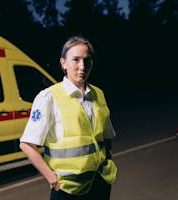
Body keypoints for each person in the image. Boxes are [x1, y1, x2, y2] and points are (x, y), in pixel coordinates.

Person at [20, 35, 117, 200]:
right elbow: (26, 144)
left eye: (87, 60)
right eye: (76, 60)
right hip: (68, 189)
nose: (82, 66)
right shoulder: (49, 97)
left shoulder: (98, 94)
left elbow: (105, 136)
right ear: (63, 63)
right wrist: (52, 179)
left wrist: (106, 160)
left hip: (100, 181)